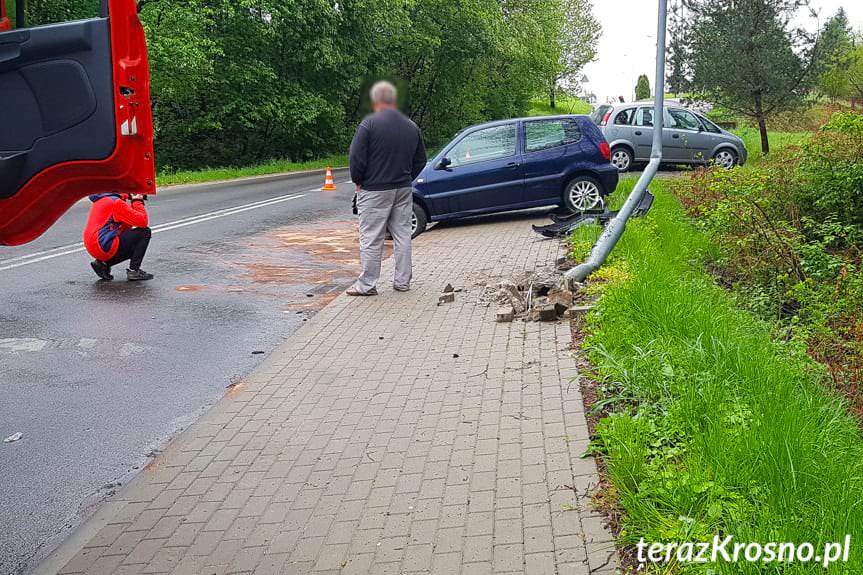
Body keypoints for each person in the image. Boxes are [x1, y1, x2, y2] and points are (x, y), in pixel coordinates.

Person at [347, 80, 426, 296]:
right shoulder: (411, 126)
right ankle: (402, 282)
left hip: (373, 190)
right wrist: (407, 178)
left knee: (372, 237)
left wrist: (359, 180)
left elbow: (356, 159)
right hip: (402, 189)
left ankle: (367, 285)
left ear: (375, 101)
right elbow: (421, 160)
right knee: (402, 235)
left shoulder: (368, 125)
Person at [83, 192, 154, 281]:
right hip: (103, 246)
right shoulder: (115, 202)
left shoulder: (103, 198)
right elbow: (142, 222)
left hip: (93, 245)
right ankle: (134, 271)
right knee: (145, 232)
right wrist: (137, 201)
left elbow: (126, 226)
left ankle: (103, 264)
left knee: (136, 241)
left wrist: (129, 198)